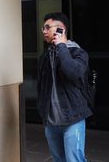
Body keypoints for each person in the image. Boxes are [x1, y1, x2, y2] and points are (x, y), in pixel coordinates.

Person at [37, 12, 92, 162]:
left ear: (61, 29)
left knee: (74, 159)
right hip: (51, 122)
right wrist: (43, 113)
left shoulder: (78, 53)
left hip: (73, 119)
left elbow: (73, 73)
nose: (43, 31)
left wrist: (61, 45)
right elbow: (41, 88)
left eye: (47, 27)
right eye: (43, 27)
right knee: (58, 159)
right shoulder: (45, 58)